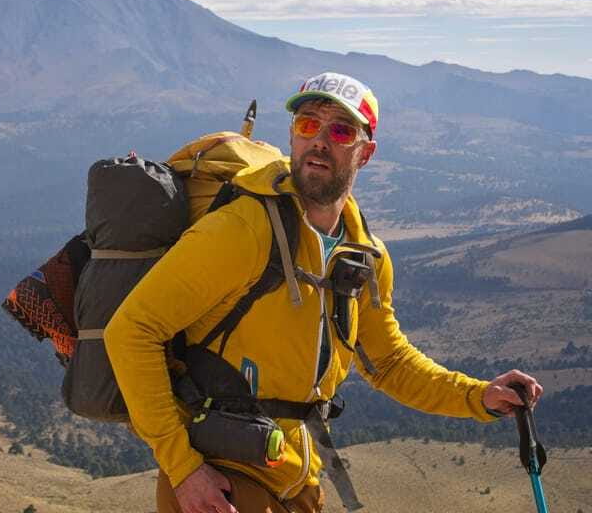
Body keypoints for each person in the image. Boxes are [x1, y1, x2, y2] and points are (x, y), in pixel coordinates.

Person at [104, 71, 543, 513]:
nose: (319, 141)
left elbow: (388, 362)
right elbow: (131, 330)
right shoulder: (243, 230)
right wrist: (183, 471)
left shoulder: (365, 256)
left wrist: (478, 395)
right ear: (293, 135)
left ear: (365, 152)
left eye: (340, 130)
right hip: (221, 476)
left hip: (295, 477)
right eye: (308, 124)